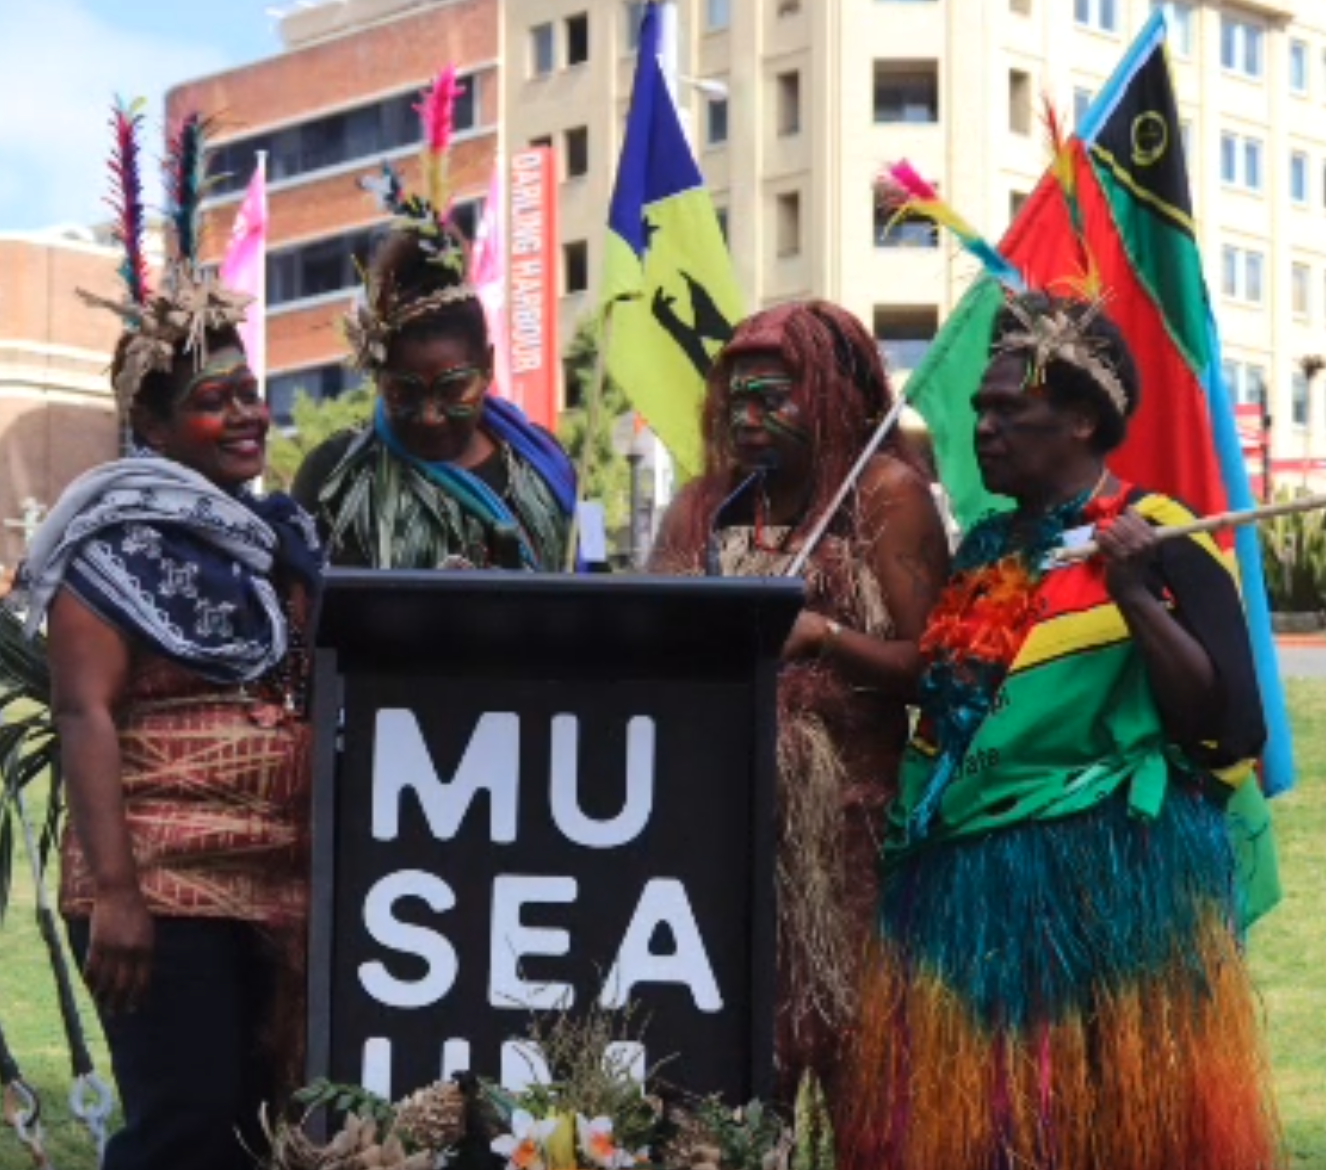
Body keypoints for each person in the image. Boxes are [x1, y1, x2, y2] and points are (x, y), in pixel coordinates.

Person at [838, 292, 1281, 1170]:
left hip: (1112, 884)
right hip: (966, 886)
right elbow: (949, 690)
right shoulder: (988, 549)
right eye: (979, 412)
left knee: (1110, 1124)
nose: (985, 428)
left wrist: (1133, 595)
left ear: (1082, 420)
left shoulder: (1169, 536)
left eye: (1011, 409)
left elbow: (1228, 729)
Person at [11, 105, 322, 1170]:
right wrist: (124, 898)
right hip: (163, 891)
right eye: (211, 402)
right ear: (147, 427)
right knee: (183, 1137)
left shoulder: (278, 536)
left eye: (251, 394)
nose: (246, 416)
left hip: (274, 886)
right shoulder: (107, 540)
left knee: (255, 1141)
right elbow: (84, 711)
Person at [649, 300, 950, 1097]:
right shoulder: (701, 507)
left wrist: (824, 637)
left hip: (852, 839)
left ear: (831, 397)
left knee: (867, 1067)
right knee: (737, 1070)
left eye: (772, 397)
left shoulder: (885, 494)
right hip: (723, 831)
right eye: (737, 397)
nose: (748, 417)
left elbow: (939, 668)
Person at [292, 97, 575, 571]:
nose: (429, 416)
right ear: (378, 377)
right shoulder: (336, 475)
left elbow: (591, 584)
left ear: (487, 367)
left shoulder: (545, 468)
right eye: (404, 392)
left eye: (451, 389)